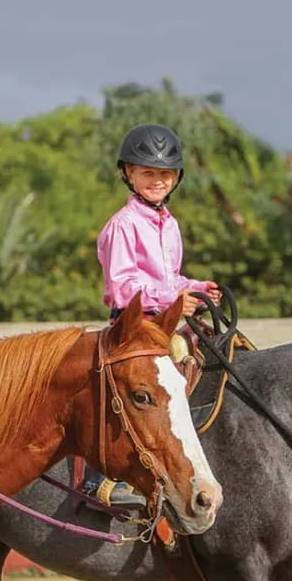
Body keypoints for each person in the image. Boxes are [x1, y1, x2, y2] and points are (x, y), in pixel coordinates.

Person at [83, 123, 221, 509]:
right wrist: (174, 297)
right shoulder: (122, 226)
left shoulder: (169, 224)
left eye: (164, 174)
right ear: (128, 174)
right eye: (147, 173)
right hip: (131, 327)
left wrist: (196, 288)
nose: (157, 181)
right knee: (148, 379)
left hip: (161, 323)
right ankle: (99, 480)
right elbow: (123, 288)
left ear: (176, 178)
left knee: (207, 351)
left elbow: (168, 277)